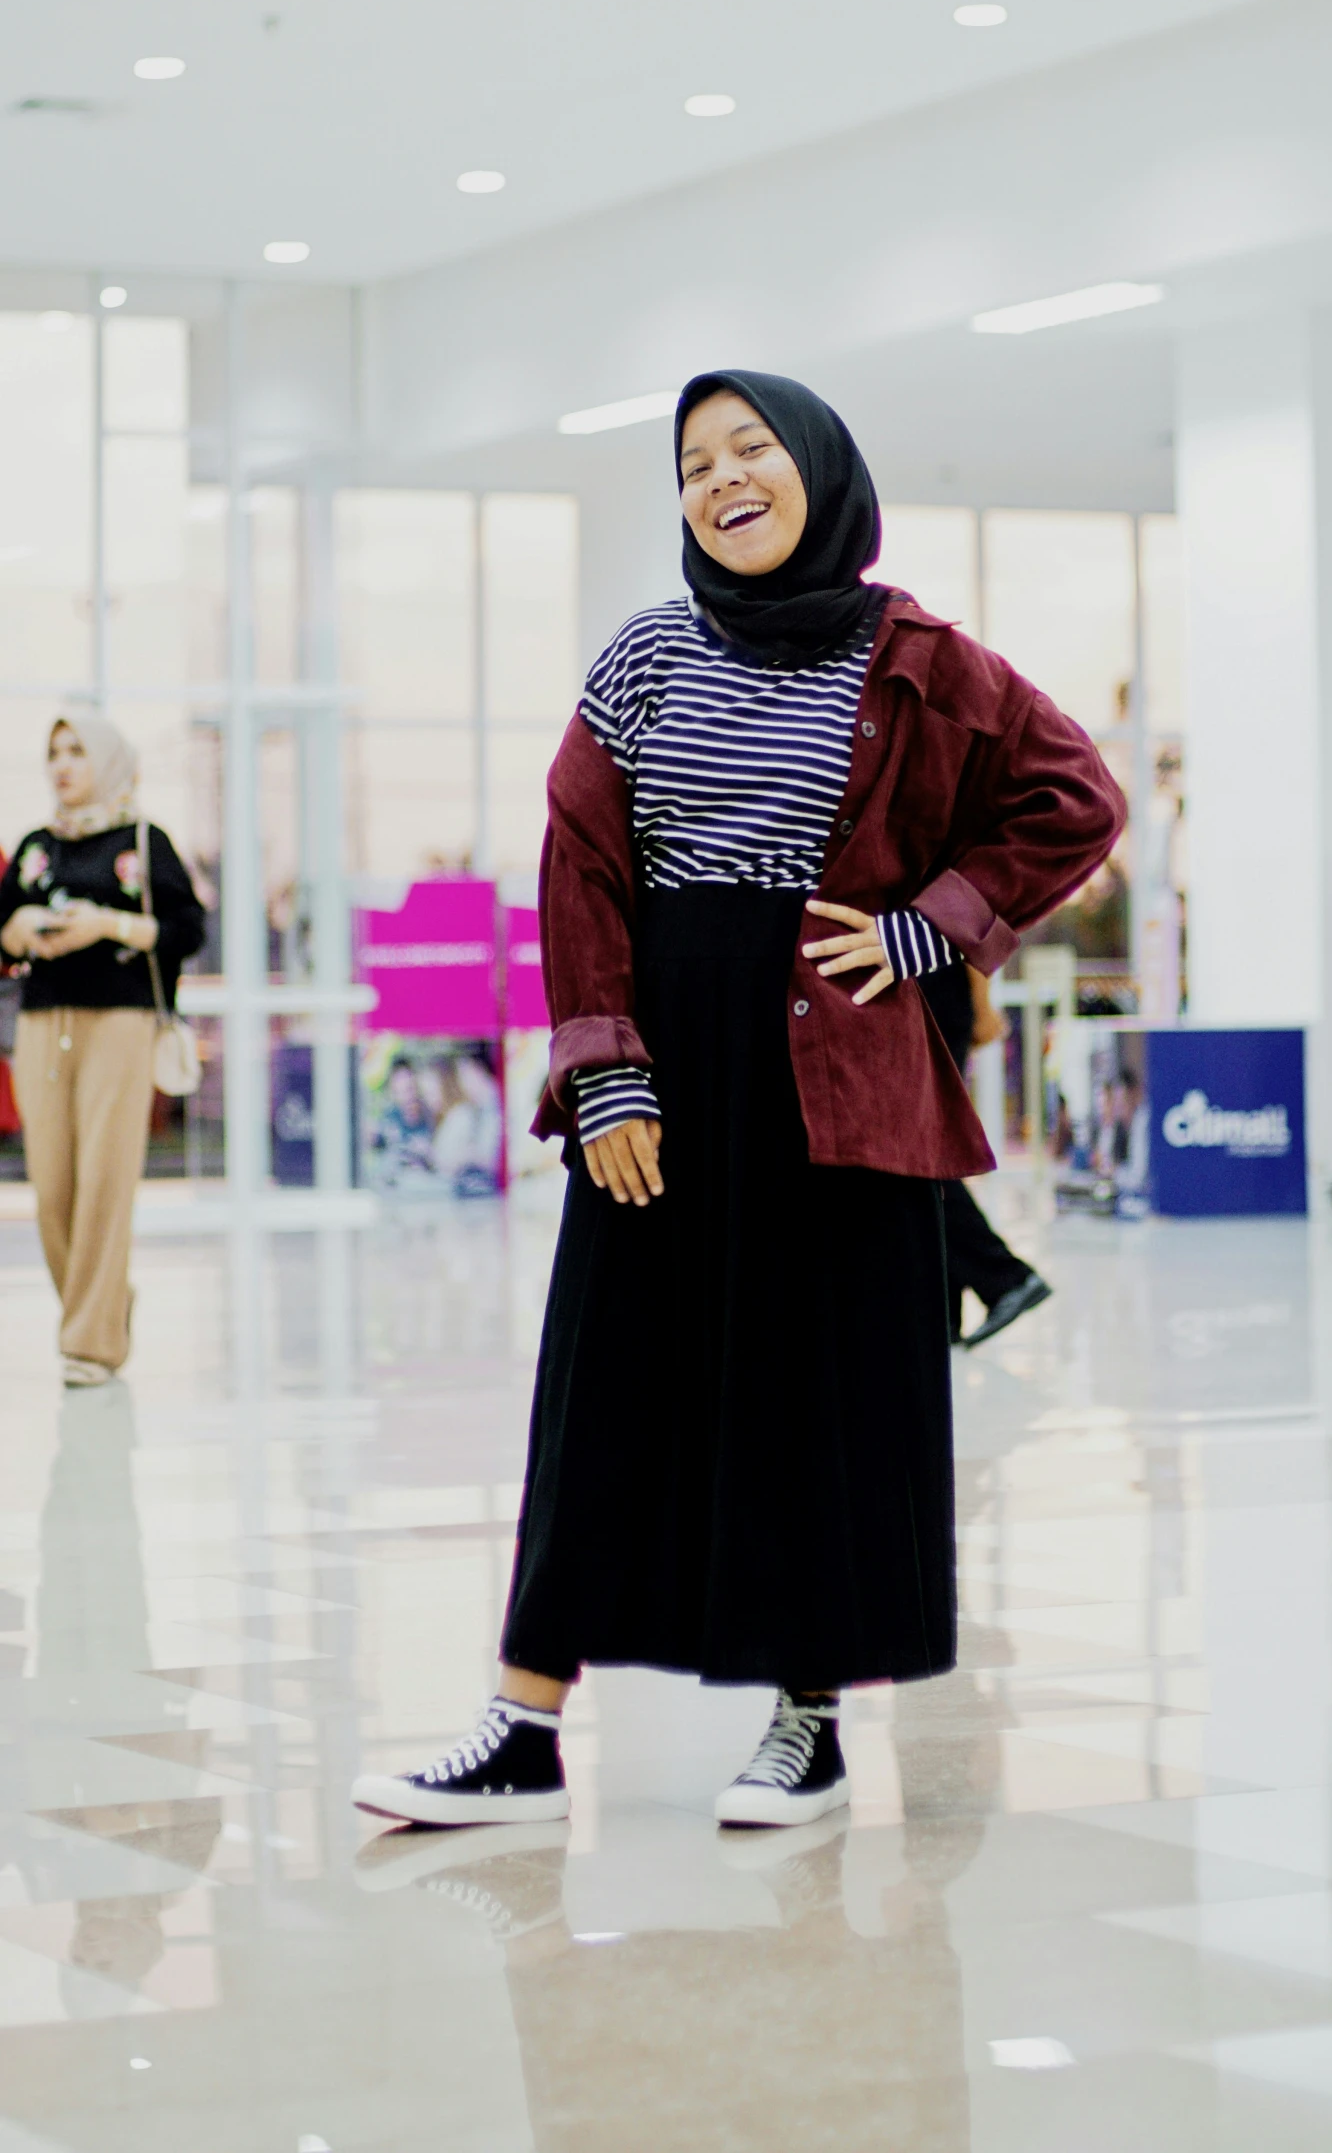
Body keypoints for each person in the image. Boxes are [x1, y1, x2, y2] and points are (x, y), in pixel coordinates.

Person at [352, 370, 1124, 1836]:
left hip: (840, 1067)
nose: (721, 479)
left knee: (819, 1397)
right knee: (605, 1381)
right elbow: (580, 862)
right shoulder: (646, 653)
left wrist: (929, 926)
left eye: (749, 448)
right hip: (667, 1054)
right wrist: (605, 1071)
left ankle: (808, 1724)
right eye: (694, 463)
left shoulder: (923, 656)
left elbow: (1074, 793)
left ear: (819, 468)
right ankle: (521, 1727)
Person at [0, 713, 205, 1385]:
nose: (62, 764)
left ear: (109, 760)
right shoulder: (35, 846)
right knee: (52, 1183)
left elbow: (186, 928)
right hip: (41, 1025)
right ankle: (105, 1305)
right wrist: (23, 928)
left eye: (77, 750)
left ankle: (90, 1342)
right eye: (54, 751)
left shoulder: (144, 842)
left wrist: (105, 924)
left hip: (121, 1022)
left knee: (104, 1180)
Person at [921, 959, 1054, 1347]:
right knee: (933, 1150)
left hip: (935, 997)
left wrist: (981, 1005)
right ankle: (946, 1311)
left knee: (922, 1156)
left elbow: (968, 924)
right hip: (935, 996)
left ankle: (1006, 1277)